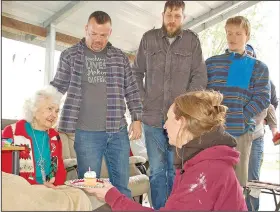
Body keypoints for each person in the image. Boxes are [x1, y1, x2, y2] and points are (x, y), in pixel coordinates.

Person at [84, 90, 247, 211]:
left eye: (168, 118)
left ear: (182, 122)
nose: (164, 125)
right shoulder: (198, 162)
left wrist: (111, 195)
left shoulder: (206, 171)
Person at [50, 11, 143, 198]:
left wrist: (137, 118)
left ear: (110, 33)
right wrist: (44, 110)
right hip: (86, 135)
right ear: (86, 29)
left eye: (103, 35)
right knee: (89, 188)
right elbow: (57, 87)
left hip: (117, 132)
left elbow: (132, 89)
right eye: (93, 34)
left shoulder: (120, 57)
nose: (98, 39)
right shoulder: (70, 56)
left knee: (122, 187)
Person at [131, 1, 207, 208]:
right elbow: (135, 73)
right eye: (169, 15)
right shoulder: (148, 39)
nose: (172, 20)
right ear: (162, 15)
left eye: (177, 16)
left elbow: (199, 76)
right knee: (156, 170)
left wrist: (185, 108)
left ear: (183, 17)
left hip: (180, 122)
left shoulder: (192, 41)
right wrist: (142, 104)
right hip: (152, 119)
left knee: (177, 170)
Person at [206, 16, 270, 187]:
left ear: (247, 36)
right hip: (213, 132)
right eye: (229, 33)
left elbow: (263, 97)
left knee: (237, 185)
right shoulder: (211, 64)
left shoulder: (258, 67)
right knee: (213, 183)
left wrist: (242, 115)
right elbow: (203, 94)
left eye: (238, 34)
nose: (232, 38)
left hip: (241, 133)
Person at [2, 86, 66, 187]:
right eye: (50, 109)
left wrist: (55, 186)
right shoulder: (11, 132)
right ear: (34, 109)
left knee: (79, 196)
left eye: (57, 111)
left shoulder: (55, 137)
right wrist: (38, 185)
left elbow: (60, 169)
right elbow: (5, 170)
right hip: (22, 189)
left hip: (51, 189)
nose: (54, 115)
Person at [244, 44, 279, 211]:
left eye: (251, 54)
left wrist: (272, 128)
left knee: (253, 179)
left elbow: (272, 105)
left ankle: (252, 209)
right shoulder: (234, 79)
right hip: (236, 136)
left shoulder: (265, 79)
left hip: (256, 136)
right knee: (236, 177)